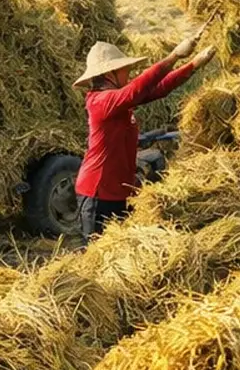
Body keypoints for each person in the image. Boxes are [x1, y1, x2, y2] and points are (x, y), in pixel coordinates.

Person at [73, 37, 215, 238]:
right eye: (124, 69)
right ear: (109, 74)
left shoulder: (118, 101)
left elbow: (159, 88)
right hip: (98, 192)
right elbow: (137, 88)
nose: (128, 73)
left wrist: (193, 64)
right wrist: (173, 56)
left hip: (121, 189)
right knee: (98, 252)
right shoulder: (100, 102)